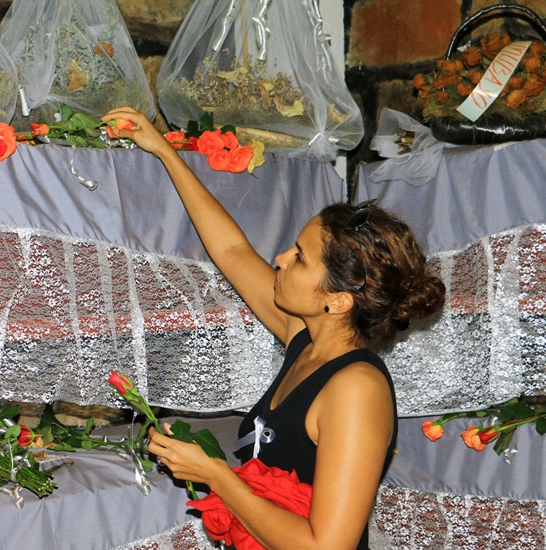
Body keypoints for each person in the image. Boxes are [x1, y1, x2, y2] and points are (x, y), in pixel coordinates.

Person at [101, 107, 446, 550]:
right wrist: (164, 151)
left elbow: (327, 546)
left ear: (337, 300)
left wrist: (216, 476)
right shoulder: (304, 340)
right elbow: (230, 249)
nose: (281, 259)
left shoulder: (356, 389)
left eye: (300, 257)